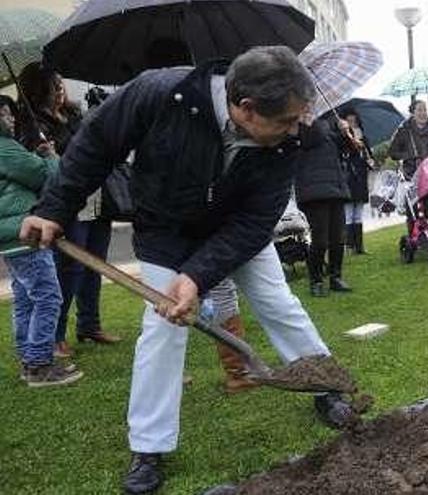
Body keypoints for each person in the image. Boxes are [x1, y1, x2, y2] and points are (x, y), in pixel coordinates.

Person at [20, 46, 355, 494]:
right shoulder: (158, 92)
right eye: (287, 121)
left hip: (237, 230)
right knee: (161, 332)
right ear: (246, 109)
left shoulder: (290, 139)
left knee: (278, 303)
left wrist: (197, 276)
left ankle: (324, 386)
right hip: (167, 229)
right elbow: (95, 145)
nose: (299, 128)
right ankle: (149, 448)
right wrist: (54, 208)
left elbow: (255, 223)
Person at [17, 64, 121, 359]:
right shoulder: (32, 123)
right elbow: (50, 163)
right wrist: (49, 150)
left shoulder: (74, 115)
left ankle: (90, 325)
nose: (61, 90)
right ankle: (57, 334)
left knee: (96, 264)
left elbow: (93, 144)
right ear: (42, 89)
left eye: (62, 83)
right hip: (70, 202)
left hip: (98, 197)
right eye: (55, 85)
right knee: (70, 268)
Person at [0, 94, 83, 387]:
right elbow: (46, 177)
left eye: (11, 114)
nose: (10, 120)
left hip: (10, 236)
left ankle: (29, 360)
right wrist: (48, 156)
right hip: (24, 231)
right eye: (5, 115)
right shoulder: (5, 149)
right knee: (48, 296)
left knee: (25, 299)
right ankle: (39, 365)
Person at [295, 112, 353, 297]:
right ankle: (316, 280)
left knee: (338, 238)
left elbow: (341, 148)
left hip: (335, 188)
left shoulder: (326, 124)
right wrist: (320, 122)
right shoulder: (301, 125)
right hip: (315, 191)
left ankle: (336, 277)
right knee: (320, 240)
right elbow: (313, 138)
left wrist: (345, 132)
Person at [339, 109, 375, 255]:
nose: (352, 122)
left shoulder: (363, 136)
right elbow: (344, 154)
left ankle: (359, 246)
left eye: (354, 120)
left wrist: (370, 160)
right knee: (349, 213)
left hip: (360, 176)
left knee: (358, 212)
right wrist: (350, 138)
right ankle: (349, 246)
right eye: (349, 120)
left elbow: (368, 156)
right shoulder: (342, 137)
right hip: (348, 176)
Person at [388, 99, 428, 180]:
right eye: (419, 110)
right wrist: (409, 155)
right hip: (411, 175)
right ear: (412, 113)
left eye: (425, 110)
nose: (423, 113)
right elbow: (393, 153)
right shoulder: (404, 131)